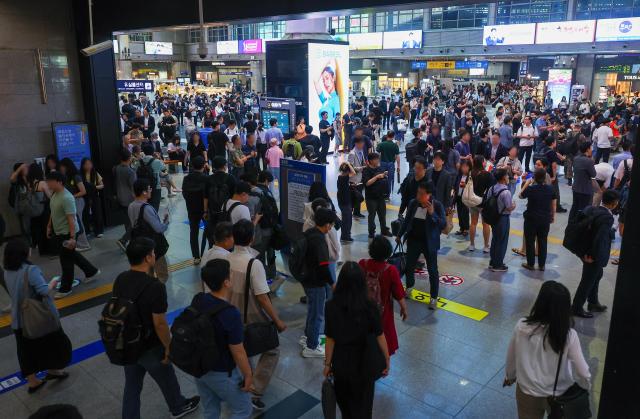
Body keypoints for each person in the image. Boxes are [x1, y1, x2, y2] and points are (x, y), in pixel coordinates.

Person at [116, 237, 200, 419]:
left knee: (131, 386)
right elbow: (159, 323)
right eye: (153, 253)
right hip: (150, 345)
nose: (154, 256)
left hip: (128, 343)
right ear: (147, 258)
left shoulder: (121, 279)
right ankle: (178, 407)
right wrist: (169, 346)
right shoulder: (155, 287)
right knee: (166, 376)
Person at [504, 281, 591, 419]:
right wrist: (586, 387)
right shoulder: (568, 335)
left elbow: (511, 357)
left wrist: (510, 376)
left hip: (527, 391)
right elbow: (583, 371)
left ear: (540, 302)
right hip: (559, 394)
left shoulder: (522, 326)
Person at [227, 220, 286, 410]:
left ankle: (243, 380)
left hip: (231, 314)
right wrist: (277, 320)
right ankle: (255, 390)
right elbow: (262, 298)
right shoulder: (254, 264)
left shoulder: (226, 258)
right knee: (272, 350)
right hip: (251, 315)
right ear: (252, 238)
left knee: (242, 349)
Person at [323, 261, 390, 419]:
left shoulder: (331, 306)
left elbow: (330, 338)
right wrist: (386, 359)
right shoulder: (370, 306)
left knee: (346, 407)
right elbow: (380, 335)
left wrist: (327, 364)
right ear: (362, 282)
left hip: (342, 364)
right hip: (365, 363)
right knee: (364, 407)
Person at [3, 239, 70, 394]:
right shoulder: (30, 270)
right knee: (53, 343)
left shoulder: (7, 270)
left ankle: (33, 382)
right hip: (37, 318)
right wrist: (53, 282)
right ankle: (54, 370)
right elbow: (44, 291)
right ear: (24, 253)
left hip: (18, 319)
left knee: (25, 350)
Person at [194, 259, 253, 419]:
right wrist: (248, 374)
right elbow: (238, 351)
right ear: (226, 282)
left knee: (210, 410)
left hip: (200, 367)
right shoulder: (230, 313)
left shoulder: (199, 299)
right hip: (221, 371)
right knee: (243, 410)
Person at [46, 171, 100, 299]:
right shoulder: (55, 194)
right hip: (59, 231)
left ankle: (65, 288)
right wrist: (49, 225)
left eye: (50, 181)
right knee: (72, 255)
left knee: (66, 261)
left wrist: (72, 238)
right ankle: (91, 271)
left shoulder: (67, 197)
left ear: (59, 182)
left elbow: (71, 219)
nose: (47, 183)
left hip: (67, 233)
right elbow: (53, 212)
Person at [571, 190, 618, 318]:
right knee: (588, 279)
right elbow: (599, 238)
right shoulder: (607, 217)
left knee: (597, 275)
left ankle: (593, 302)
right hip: (592, 254)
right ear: (614, 203)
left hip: (584, 250)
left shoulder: (593, 209)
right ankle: (576, 307)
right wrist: (592, 255)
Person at [396, 181, 445, 303]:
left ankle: (433, 296)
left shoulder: (437, 205)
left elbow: (442, 224)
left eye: (422, 194)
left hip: (429, 243)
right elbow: (407, 220)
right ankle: (410, 286)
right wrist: (399, 235)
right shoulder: (413, 203)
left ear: (429, 195)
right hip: (414, 240)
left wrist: (432, 213)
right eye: (418, 192)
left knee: (432, 270)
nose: (418, 196)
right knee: (409, 266)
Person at [359, 236, 407, 355]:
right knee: (383, 335)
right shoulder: (391, 270)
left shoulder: (362, 264)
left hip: (362, 310)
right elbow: (398, 294)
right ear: (388, 252)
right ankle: (383, 360)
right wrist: (404, 308)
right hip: (382, 313)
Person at [299, 207, 337, 358]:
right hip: (316, 282)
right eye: (332, 225)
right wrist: (332, 283)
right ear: (327, 225)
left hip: (306, 279)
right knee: (317, 314)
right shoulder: (320, 240)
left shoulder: (309, 232)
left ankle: (308, 337)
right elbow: (323, 266)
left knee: (312, 310)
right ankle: (311, 347)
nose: (332, 228)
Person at [128, 179, 170, 283]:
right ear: (144, 192)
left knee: (148, 273)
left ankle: (149, 292)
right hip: (153, 246)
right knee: (162, 275)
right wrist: (166, 223)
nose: (151, 190)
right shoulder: (146, 208)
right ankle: (158, 293)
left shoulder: (131, 206)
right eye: (149, 189)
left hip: (140, 243)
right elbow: (158, 228)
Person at [519, 168, 556, 271]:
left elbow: (520, 196)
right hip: (545, 219)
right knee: (543, 241)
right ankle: (542, 265)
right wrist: (553, 216)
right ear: (544, 178)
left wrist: (527, 184)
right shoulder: (550, 189)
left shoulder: (531, 189)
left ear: (534, 177)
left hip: (531, 218)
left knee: (530, 241)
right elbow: (553, 204)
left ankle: (530, 264)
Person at [486, 169, 516, 272]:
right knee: (502, 241)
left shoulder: (492, 188)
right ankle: (498, 264)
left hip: (494, 217)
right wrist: (514, 206)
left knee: (495, 239)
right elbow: (508, 207)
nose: (508, 178)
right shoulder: (506, 192)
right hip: (503, 218)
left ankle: (492, 261)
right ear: (503, 178)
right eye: (507, 176)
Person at [58, 158, 91, 251]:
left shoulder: (76, 176)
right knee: (76, 223)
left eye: (62, 167)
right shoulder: (67, 177)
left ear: (66, 166)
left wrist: (72, 196)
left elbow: (83, 191)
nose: (61, 169)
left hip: (78, 201)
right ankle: (79, 244)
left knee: (78, 223)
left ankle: (84, 244)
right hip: (73, 201)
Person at [182, 156, 209, 264]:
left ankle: (196, 257)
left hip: (192, 209)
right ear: (203, 165)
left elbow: (184, 193)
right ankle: (210, 253)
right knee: (209, 232)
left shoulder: (186, 178)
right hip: (204, 209)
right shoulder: (206, 178)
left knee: (193, 232)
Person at [362, 153, 391, 238]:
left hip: (380, 196)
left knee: (382, 215)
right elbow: (367, 183)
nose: (378, 161)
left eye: (378, 159)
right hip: (371, 198)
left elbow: (382, 178)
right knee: (372, 215)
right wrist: (377, 177)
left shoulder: (379, 168)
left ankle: (384, 230)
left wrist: (384, 174)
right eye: (376, 159)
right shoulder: (366, 170)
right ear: (371, 161)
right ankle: (371, 232)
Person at [468, 155, 493, 252]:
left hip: (473, 201)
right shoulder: (487, 174)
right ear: (482, 163)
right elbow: (491, 189)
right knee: (485, 224)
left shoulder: (471, 173)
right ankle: (486, 246)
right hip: (484, 202)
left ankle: (472, 244)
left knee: (473, 223)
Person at [569, 141, 597, 222]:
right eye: (591, 148)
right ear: (587, 149)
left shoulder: (576, 158)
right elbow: (593, 174)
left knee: (575, 207)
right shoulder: (589, 161)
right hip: (585, 190)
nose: (592, 150)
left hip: (576, 187)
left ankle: (571, 223)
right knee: (585, 209)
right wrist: (591, 159)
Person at [80, 158, 104, 238]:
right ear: (83, 165)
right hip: (85, 197)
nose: (88, 166)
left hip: (95, 196)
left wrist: (93, 187)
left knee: (97, 214)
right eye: (86, 164)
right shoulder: (80, 175)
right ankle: (87, 231)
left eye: (90, 164)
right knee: (85, 214)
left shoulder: (95, 173)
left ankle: (98, 231)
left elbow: (102, 185)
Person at [346, 137, 368, 218]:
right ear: (356, 144)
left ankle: (357, 212)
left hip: (360, 177)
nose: (362, 145)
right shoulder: (352, 153)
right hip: (354, 179)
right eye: (361, 143)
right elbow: (350, 167)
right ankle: (352, 211)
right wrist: (361, 168)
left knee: (358, 195)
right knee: (354, 196)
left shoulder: (361, 151)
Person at [376, 131, 400, 198]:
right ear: (393, 136)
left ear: (387, 135)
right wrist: (398, 166)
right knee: (390, 180)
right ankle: (387, 195)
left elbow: (377, 155)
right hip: (391, 164)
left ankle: (381, 193)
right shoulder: (395, 145)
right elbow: (397, 157)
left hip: (382, 163)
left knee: (380, 178)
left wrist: (377, 164)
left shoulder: (381, 144)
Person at [337, 162, 355, 243]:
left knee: (346, 219)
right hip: (345, 201)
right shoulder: (344, 177)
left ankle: (345, 235)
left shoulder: (341, 177)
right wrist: (348, 163)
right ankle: (345, 236)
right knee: (347, 219)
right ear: (347, 171)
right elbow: (353, 172)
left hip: (342, 200)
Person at [455, 160, 472, 237]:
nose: (464, 168)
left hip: (465, 197)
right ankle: (461, 228)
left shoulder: (470, 177)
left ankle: (466, 229)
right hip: (458, 196)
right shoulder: (459, 175)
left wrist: (466, 185)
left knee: (464, 213)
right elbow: (455, 184)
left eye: (466, 166)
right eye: (463, 166)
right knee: (459, 212)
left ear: (469, 167)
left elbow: (472, 188)